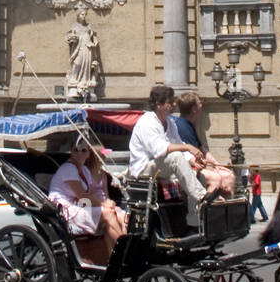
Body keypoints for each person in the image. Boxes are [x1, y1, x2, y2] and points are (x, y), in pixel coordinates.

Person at [128, 85, 212, 228]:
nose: (174, 104)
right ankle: (201, 196)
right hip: (144, 168)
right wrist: (188, 147)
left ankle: (194, 221)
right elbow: (159, 149)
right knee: (176, 157)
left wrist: (193, 160)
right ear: (159, 104)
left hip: (161, 165)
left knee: (197, 173)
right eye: (170, 102)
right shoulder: (147, 122)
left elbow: (178, 144)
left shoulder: (170, 122)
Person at [49, 140, 126, 263]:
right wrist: (103, 204)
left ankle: (116, 253)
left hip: (78, 206)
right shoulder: (68, 168)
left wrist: (103, 205)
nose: (79, 154)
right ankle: (119, 257)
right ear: (71, 152)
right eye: (76, 150)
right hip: (64, 211)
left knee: (119, 215)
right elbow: (81, 195)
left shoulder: (84, 170)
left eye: (83, 150)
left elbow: (87, 197)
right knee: (107, 214)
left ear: (88, 154)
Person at [170, 94, 236, 196]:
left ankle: (224, 207)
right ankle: (207, 207)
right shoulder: (183, 127)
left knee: (228, 175)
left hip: (195, 165)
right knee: (223, 177)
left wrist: (217, 164)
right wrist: (212, 168)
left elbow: (202, 149)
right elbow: (193, 157)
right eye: (199, 103)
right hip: (188, 167)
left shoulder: (189, 124)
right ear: (194, 109)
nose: (202, 105)